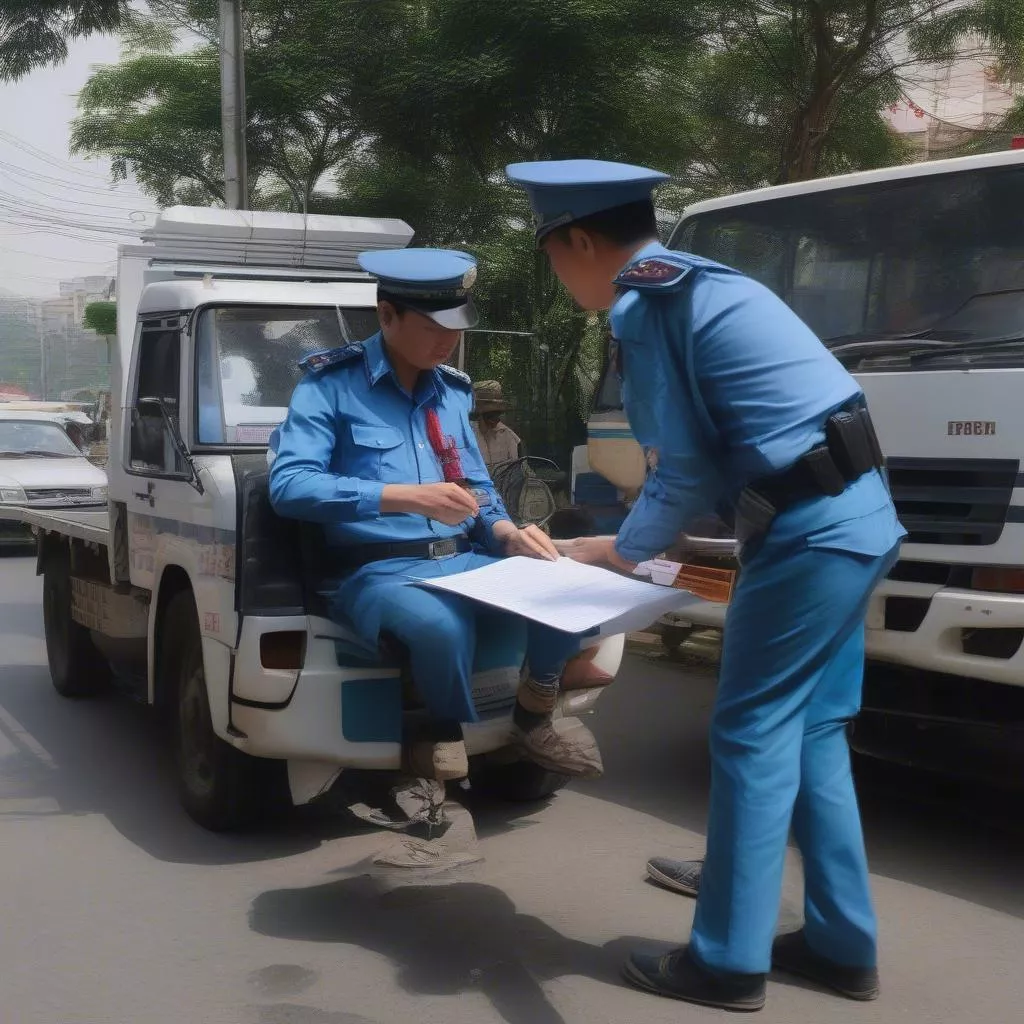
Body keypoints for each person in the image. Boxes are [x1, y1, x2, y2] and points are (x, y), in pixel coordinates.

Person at [506, 159, 905, 1012]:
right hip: (859, 521)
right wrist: (624, 544)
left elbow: (682, 469)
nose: (561, 275)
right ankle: (841, 946)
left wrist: (620, 555)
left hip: (807, 535)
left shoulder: (647, 306)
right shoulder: (710, 283)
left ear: (580, 242)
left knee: (751, 733)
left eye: (552, 255)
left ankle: (726, 963)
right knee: (814, 731)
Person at [268, 247, 605, 840]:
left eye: (456, 326)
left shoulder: (452, 392)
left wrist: (505, 532)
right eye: (432, 327)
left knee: (566, 587)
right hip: (377, 571)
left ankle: (533, 713)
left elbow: (476, 487)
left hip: (464, 559)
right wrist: (403, 497)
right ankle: (438, 743)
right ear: (387, 315)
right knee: (440, 627)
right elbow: (290, 485)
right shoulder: (330, 386)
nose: (448, 341)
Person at [471, 380, 522, 472]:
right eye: (491, 414)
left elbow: (520, 468)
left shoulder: (508, 435)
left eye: (498, 413)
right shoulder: (465, 435)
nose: (496, 419)